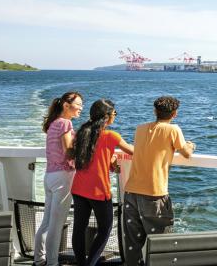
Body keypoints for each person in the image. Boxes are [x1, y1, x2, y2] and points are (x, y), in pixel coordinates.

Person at [122, 96, 195, 266]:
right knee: (163, 244)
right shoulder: (173, 129)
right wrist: (191, 145)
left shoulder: (139, 129)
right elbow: (186, 153)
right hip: (154, 194)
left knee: (133, 244)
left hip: (131, 193)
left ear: (155, 111)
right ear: (174, 114)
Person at [70, 99, 133, 266]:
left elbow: (91, 156)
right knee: (105, 229)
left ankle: (81, 263)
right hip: (99, 191)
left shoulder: (82, 133)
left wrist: (110, 158)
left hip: (78, 188)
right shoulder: (111, 136)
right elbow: (134, 151)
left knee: (79, 229)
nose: (115, 116)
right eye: (114, 114)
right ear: (106, 116)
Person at [33, 91, 84, 266]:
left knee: (46, 223)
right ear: (66, 105)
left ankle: (39, 260)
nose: (81, 108)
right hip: (63, 176)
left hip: (50, 176)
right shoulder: (65, 123)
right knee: (56, 224)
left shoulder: (54, 123)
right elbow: (68, 151)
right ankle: (52, 263)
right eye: (78, 104)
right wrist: (84, 152)